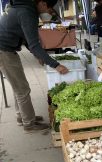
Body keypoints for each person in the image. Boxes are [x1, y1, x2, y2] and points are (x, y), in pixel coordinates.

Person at [0, 0, 68, 132]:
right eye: (49, 11)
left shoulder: (23, 9)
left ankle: (23, 117)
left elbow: (27, 39)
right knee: (22, 89)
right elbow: (34, 44)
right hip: (4, 51)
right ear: (43, 3)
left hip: (7, 49)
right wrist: (56, 65)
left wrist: (37, 55)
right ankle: (29, 124)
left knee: (18, 86)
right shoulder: (27, 13)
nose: (48, 14)